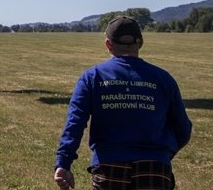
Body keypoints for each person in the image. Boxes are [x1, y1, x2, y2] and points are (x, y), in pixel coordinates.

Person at [53, 16, 192, 190]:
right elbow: (183, 129)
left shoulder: (92, 77)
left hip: (109, 167)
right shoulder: (163, 79)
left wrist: (63, 162)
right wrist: (161, 153)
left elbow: (75, 123)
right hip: (155, 168)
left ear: (108, 44)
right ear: (140, 42)